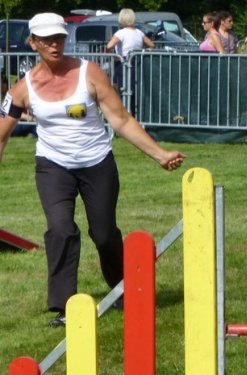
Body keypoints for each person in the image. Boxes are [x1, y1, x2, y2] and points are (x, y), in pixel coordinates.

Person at [0, 13, 186, 327]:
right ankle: (64, 307)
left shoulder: (91, 73)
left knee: (103, 234)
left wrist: (160, 154)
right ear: (33, 43)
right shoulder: (22, 88)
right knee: (60, 229)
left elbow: (121, 120)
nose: (55, 45)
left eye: (59, 38)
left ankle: (122, 289)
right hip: (52, 167)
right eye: (46, 40)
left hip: (97, 162)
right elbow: (2, 133)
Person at [106, 8, 154, 92]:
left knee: (118, 89)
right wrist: (144, 52)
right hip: (137, 64)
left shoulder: (121, 33)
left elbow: (109, 46)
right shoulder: (139, 32)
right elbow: (152, 45)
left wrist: (115, 57)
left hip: (123, 63)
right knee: (134, 90)